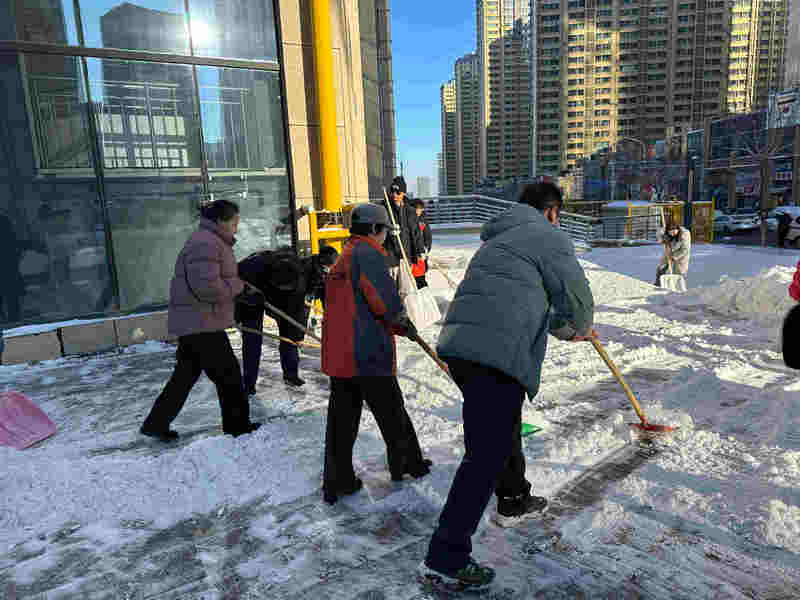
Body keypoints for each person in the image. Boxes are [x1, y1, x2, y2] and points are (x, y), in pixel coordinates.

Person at [419, 182, 596, 589]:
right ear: (552, 212)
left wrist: (569, 331)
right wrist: (582, 326)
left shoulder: (499, 239)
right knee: (484, 456)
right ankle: (445, 557)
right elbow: (576, 300)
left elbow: (525, 303)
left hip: (464, 349)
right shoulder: (548, 236)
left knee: (502, 429)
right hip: (495, 354)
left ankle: (514, 498)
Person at [321, 202, 431, 504]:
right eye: (384, 231)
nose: (386, 237)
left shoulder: (345, 255)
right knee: (393, 413)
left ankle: (338, 481)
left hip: (341, 356)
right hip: (366, 352)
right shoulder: (368, 255)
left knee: (342, 424)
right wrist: (401, 322)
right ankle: (407, 463)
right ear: (374, 229)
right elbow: (383, 299)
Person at [140, 200, 261, 441]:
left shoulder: (209, 241)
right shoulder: (206, 243)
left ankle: (156, 423)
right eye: (234, 222)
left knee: (184, 377)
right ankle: (238, 426)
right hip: (202, 323)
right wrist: (239, 289)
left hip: (196, 322)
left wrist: (240, 288)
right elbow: (207, 288)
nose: (236, 227)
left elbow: (213, 281)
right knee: (229, 376)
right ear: (221, 221)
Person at [236, 246, 338, 392]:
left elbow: (298, 310)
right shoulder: (256, 265)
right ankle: (248, 384)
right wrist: (245, 295)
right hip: (252, 297)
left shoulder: (300, 278)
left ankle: (291, 375)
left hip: (283, 301)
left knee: (290, 336)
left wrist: (297, 334)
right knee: (252, 339)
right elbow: (231, 281)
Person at [384, 176, 425, 278]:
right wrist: (388, 230)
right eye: (392, 191)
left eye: (398, 192)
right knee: (391, 285)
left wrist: (420, 250)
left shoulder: (410, 211)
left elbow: (416, 233)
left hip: (406, 255)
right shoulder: (385, 208)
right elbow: (377, 229)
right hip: (391, 257)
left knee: (406, 286)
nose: (395, 194)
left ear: (403, 193)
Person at [655, 216, 692, 287]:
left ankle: (678, 286)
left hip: (682, 254)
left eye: (674, 231)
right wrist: (662, 238)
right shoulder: (665, 231)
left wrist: (674, 257)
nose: (672, 234)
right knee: (661, 267)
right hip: (670, 250)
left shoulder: (685, 234)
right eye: (670, 232)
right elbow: (658, 234)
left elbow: (685, 250)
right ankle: (658, 284)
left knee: (679, 271)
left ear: (677, 229)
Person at [411, 199, 432, 289]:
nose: (418, 211)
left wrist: (427, 247)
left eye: (420, 209)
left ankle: (423, 290)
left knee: (421, 272)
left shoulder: (423, 220)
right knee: (415, 276)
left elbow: (428, 235)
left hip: (422, 251)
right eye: (417, 209)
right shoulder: (409, 220)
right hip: (413, 252)